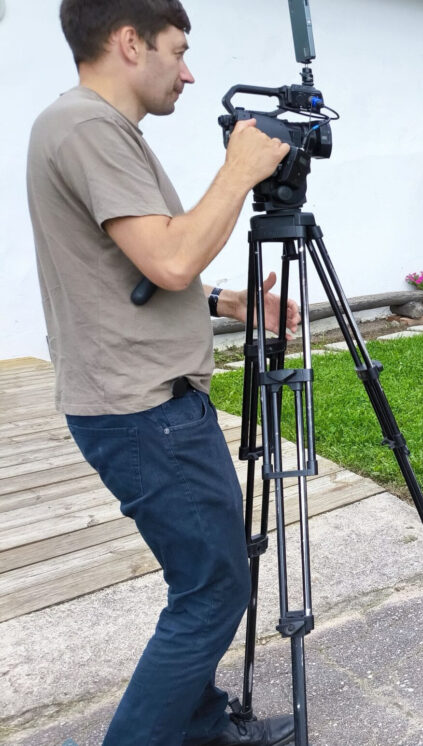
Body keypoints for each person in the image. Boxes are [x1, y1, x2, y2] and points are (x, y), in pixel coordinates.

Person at [27, 2, 300, 743]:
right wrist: (239, 171)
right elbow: (172, 257)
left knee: (203, 579)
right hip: (143, 409)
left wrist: (224, 300)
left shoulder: (90, 127)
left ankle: (199, 726)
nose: (189, 72)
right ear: (129, 42)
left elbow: (133, 267)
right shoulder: (87, 127)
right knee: (214, 591)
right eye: (177, 51)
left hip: (142, 400)